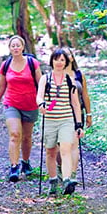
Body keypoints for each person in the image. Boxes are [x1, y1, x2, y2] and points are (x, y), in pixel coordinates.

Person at [0, 35, 42, 182]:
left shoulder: (33, 63)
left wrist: (45, 103)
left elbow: (42, 84)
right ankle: (14, 167)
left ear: (23, 47)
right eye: (13, 46)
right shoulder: (6, 65)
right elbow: (1, 87)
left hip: (31, 104)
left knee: (26, 137)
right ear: (10, 48)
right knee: (15, 134)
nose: (16, 48)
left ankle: (25, 162)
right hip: (11, 104)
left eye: (18, 45)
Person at [37, 48, 84, 195]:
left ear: (66, 62)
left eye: (62, 60)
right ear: (52, 61)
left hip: (66, 120)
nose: (59, 62)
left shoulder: (70, 80)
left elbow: (76, 104)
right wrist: (41, 104)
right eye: (56, 59)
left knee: (65, 149)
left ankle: (67, 179)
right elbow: (39, 96)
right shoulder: (45, 78)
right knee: (51, 152)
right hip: (49, 120)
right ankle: (53, 181)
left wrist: (79, 124)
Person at [60, 49, 93, 182]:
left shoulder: (79, 74)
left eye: (68, 55)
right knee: (60, 146)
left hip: (76, 113)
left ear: (72, 58)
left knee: (73, 144)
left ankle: (72, 176)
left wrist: (89, 114)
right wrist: (47, 110)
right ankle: (60, 169)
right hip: (59, 112)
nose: (66, 58)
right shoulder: (55, 75)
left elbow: (85, 95)